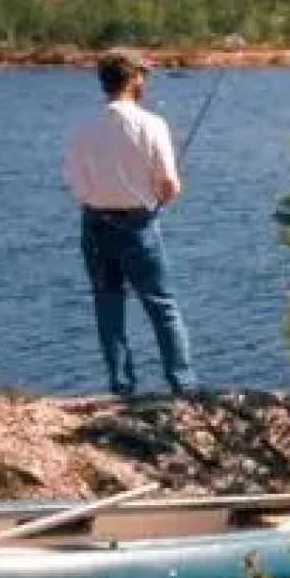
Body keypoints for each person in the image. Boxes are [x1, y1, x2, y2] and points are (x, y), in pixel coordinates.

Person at [63, 48, 198, 398]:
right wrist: (154, 201)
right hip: (139, 227)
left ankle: (122, 388)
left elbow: (74, 181)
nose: (146, 79)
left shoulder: (83, 126)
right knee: (162, 306)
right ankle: (183, 386)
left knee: (108, 306)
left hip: (94, 225)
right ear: (134, 78)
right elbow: (169, 186)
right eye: (143, 74)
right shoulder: (153, 124)